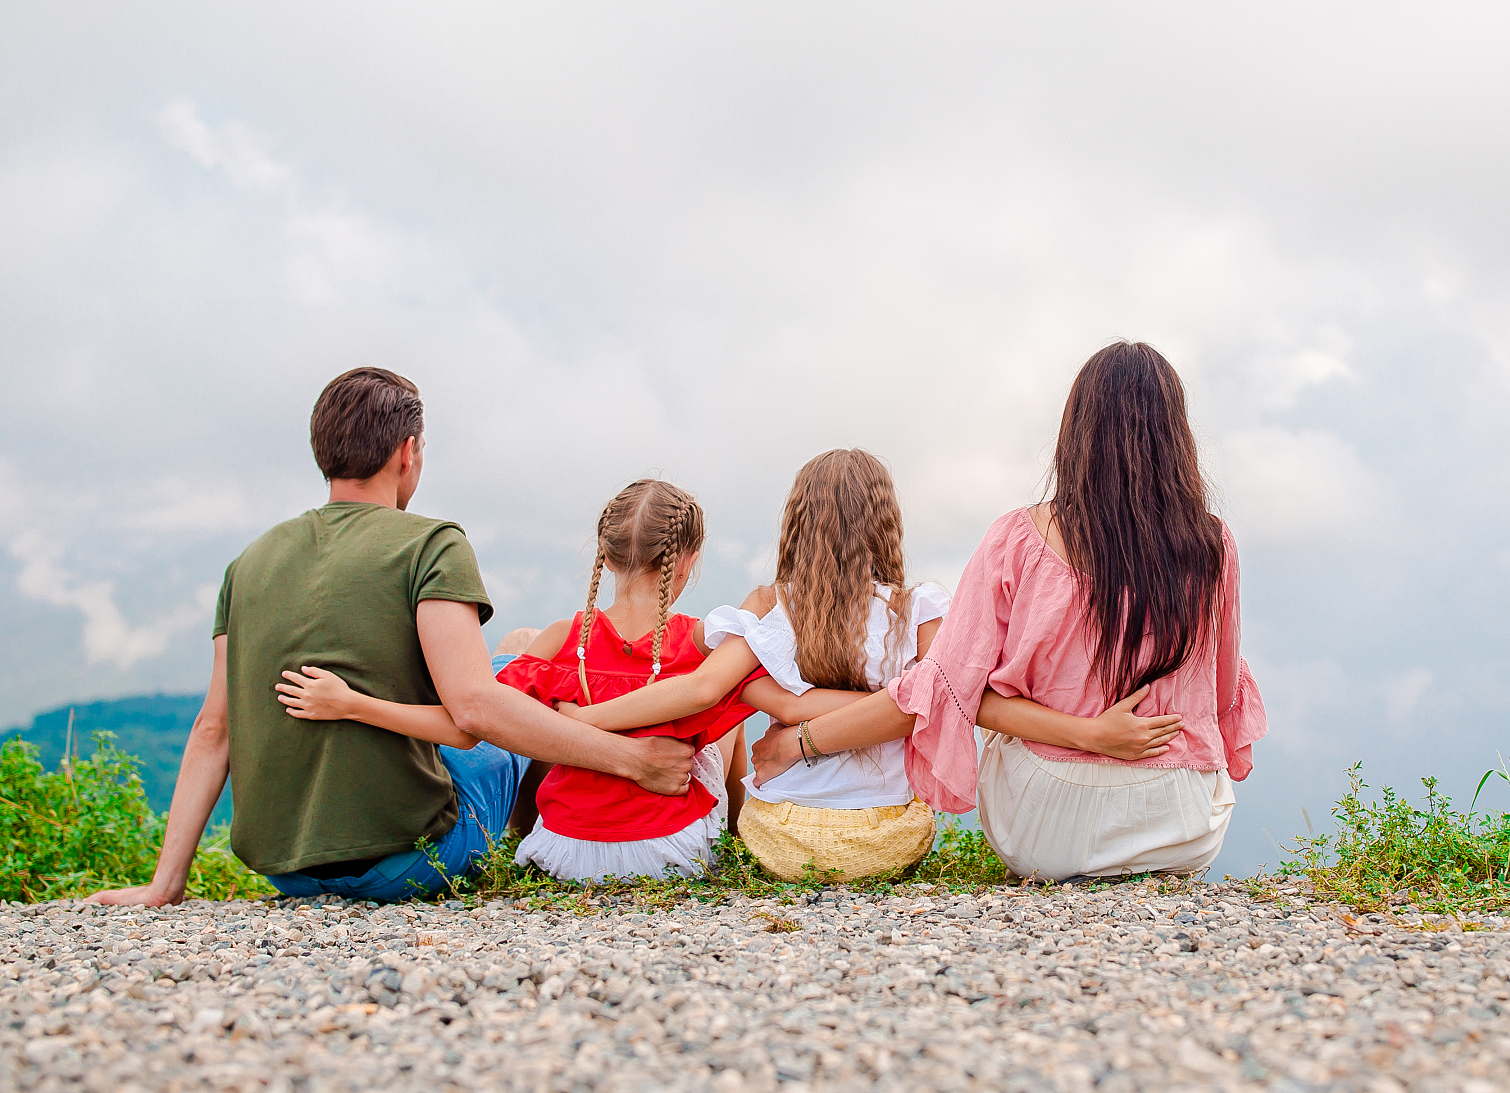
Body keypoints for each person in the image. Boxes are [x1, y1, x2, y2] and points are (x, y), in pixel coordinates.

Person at [88, 368, 694, 907]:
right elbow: (477, 708)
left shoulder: (246, 564)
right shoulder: (430, 544)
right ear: (407, 452)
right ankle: (549, 854)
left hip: (287, 872)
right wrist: (632, 759)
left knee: (516, 653)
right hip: (410, 859)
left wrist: (165, 884)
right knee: (518, 672)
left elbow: (212, 728)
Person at [751, 342, 1265, 881]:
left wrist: (798, 741)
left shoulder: (1018, 539)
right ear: (1177, 436)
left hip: (1048, 836)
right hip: (1180, 831)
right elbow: (1222, 692)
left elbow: (949, 688)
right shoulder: (1214, 545)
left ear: (1077, 430)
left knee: (993, 691)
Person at [559, 447, 1181, 881]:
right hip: (887, 839)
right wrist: (892, 701)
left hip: (780, 835)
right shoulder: (922, 610)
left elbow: (698, 691)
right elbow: (943, 699)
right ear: (887, 522)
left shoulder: (772, 608)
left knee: (725, 733)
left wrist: (590, 719)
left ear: (795, 525)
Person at [280, 478, 766, 882]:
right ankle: (738, 845)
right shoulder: (699, 641)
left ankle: (521, 834)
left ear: (606, 554)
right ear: (688, 561)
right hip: (670, 857)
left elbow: (466, 726)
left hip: (564, 855)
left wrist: (352, 703)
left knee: (532, 720)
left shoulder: (562, 639)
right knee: (727, 717)